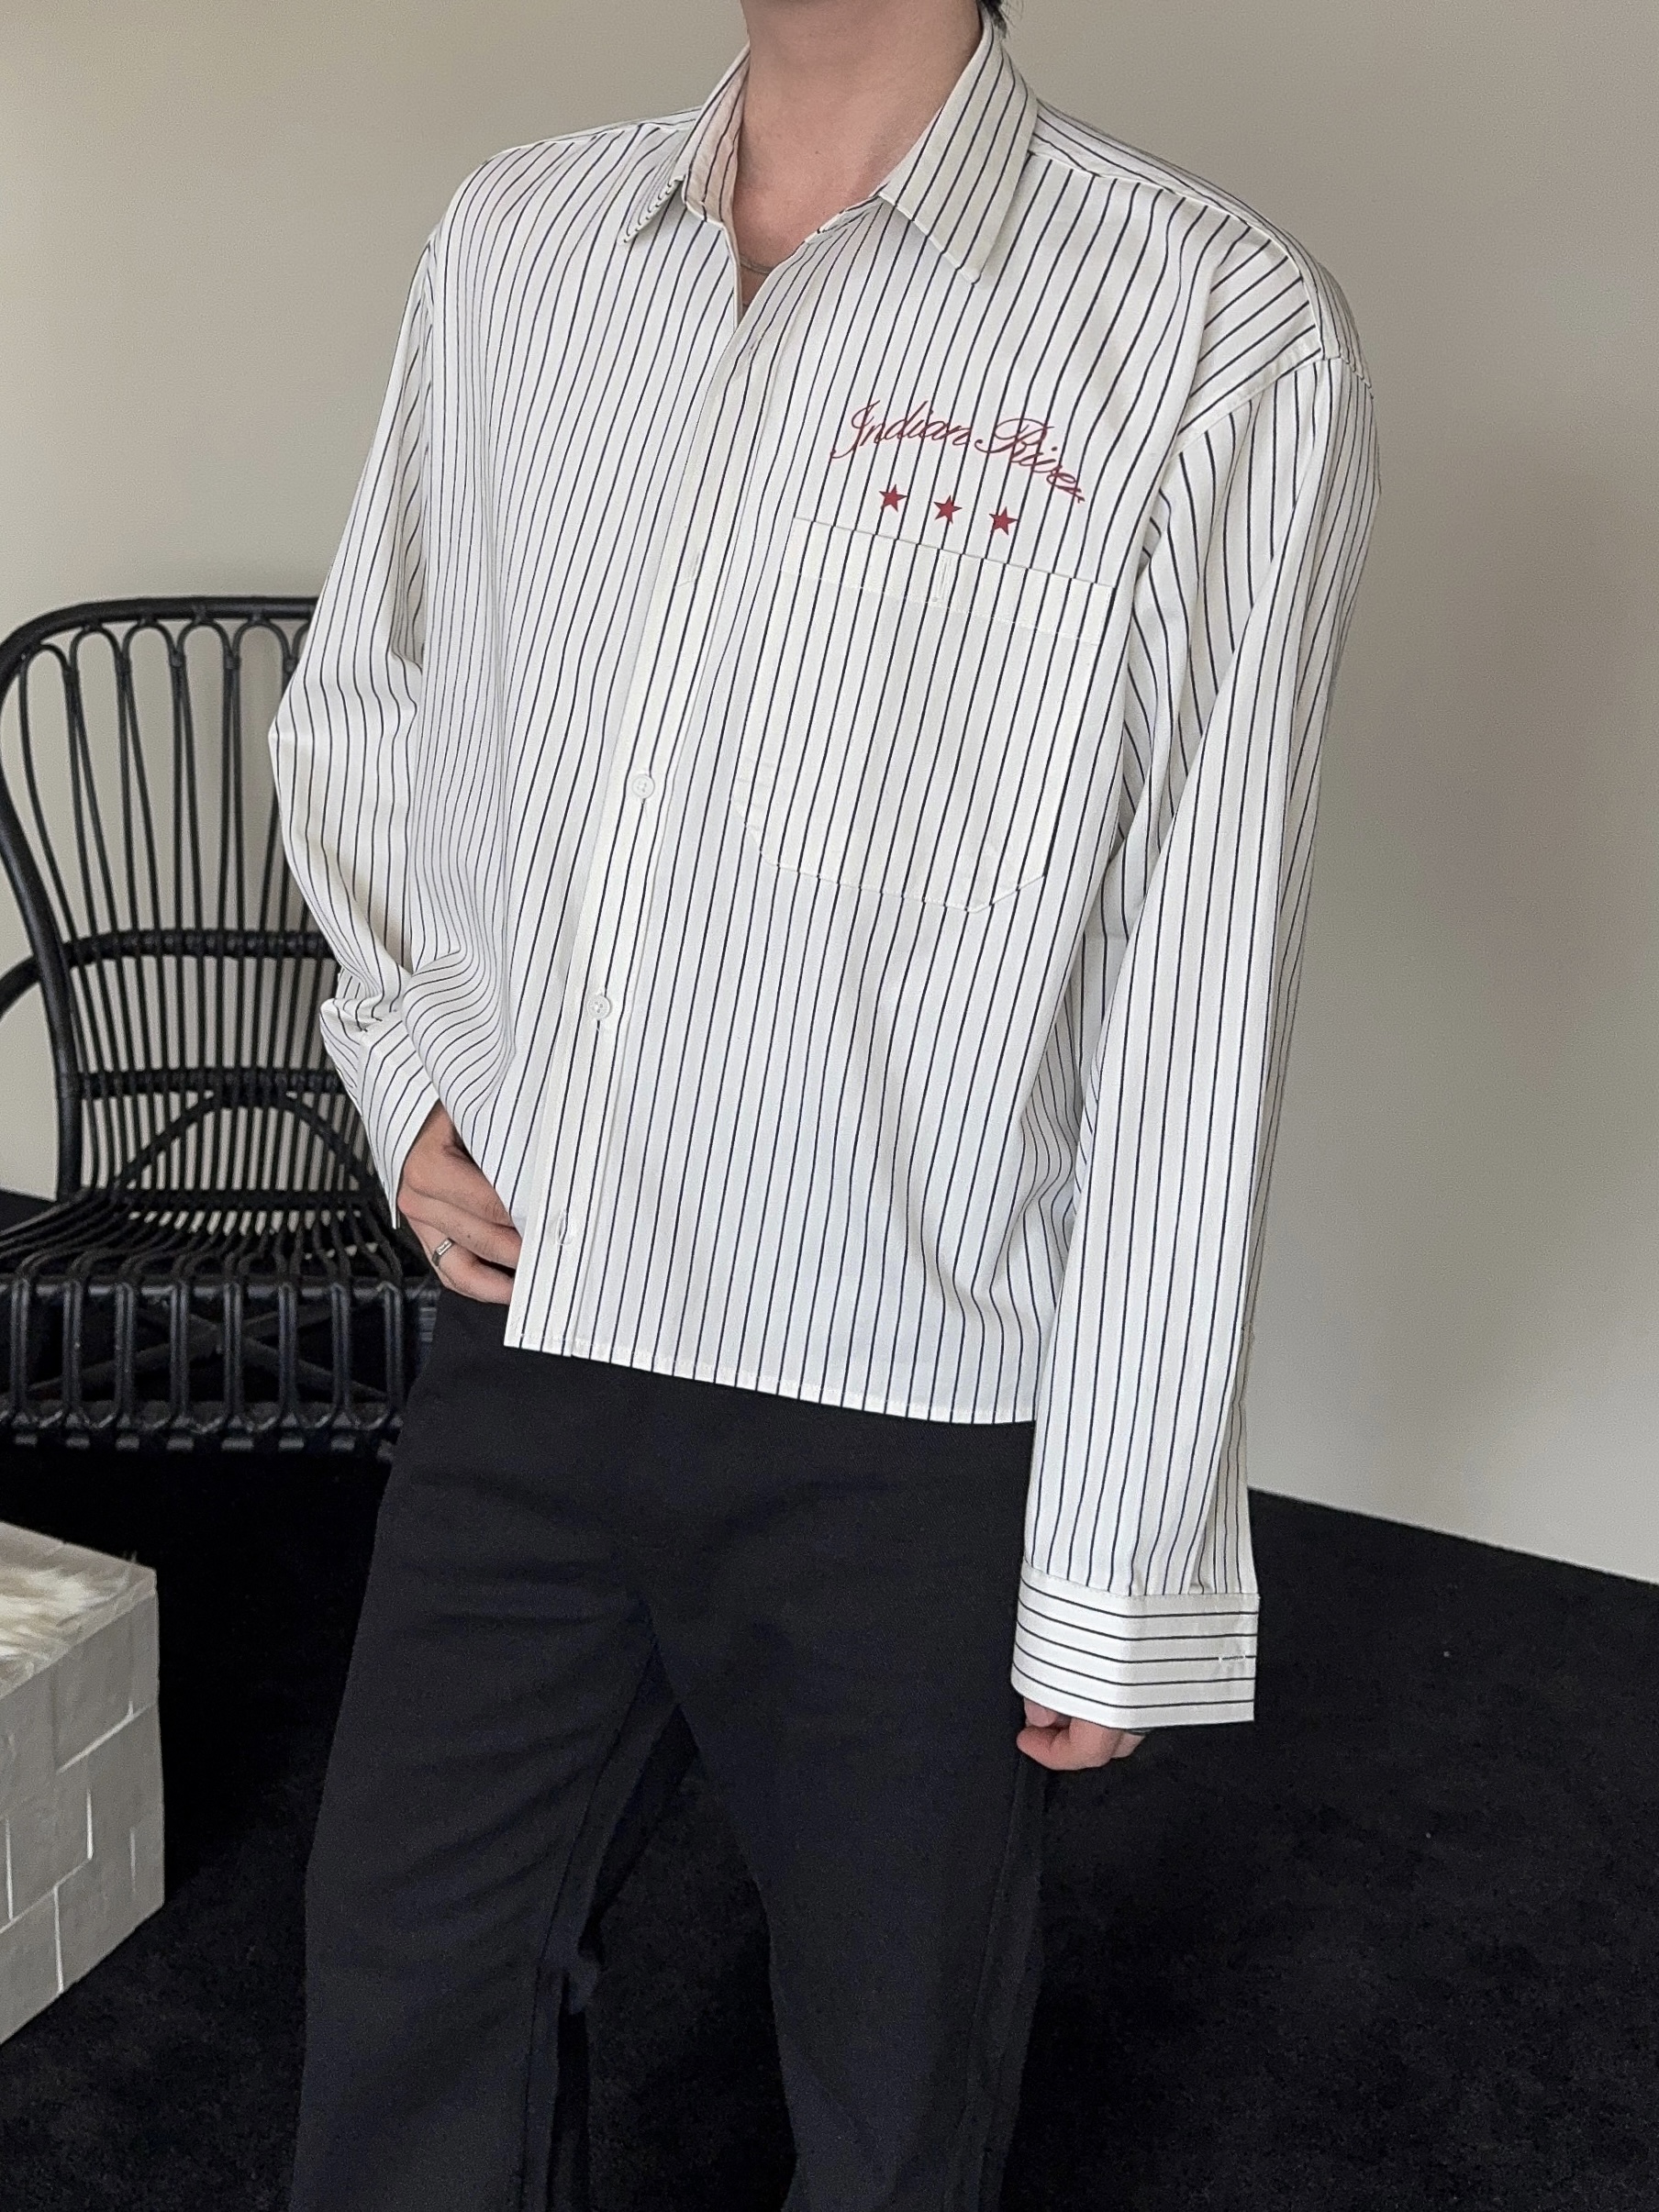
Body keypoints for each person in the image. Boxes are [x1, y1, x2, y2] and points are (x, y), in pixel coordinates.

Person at [270, 0, 1379, 2204]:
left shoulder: (1209, 319)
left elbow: (1195, 958)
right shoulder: (516, 241)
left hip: (905, 1402)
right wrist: (404, 1069)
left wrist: (1121, 1552)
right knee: (408, 1974)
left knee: (891, 2069)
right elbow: (375, 698)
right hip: (534, 1329)